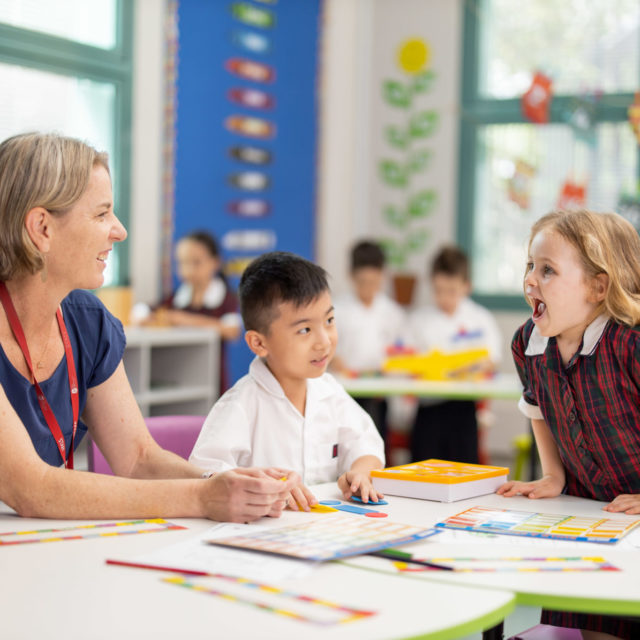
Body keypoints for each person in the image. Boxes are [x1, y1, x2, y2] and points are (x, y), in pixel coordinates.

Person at [0, 132, 298, 523]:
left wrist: (228, 481)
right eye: (101, 213)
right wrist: (202, 497)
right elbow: (31, 488)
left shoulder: (88, 323)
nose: (119, 230)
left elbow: (138, 459)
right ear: (42, 228)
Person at [497, 209, 640, 640]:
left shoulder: (629, 344)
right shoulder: (528, 343)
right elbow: (536, 409)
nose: (530, 281)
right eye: (530, 266)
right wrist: (554, 475)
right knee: (591, 620)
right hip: (590, 514)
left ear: (598, 286)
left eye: (548, 271)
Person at [189, 251, 386, 508]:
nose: (324, 341)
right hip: (259, 535)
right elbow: (207, 474)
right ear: (258, 342)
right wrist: (263, 487)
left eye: (329, 320)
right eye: (304, 329)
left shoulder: (330, 391)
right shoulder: (241, 404)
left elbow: (367, 444)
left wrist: (360, 472)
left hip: (324, 530)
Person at [408, 245, 502, 463]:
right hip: (429, 408)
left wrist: (467, 367)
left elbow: (492, 360)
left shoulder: (479, 318)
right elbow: (408, 360)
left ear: (466, 286)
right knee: (423, 472)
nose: (444, 298)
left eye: (451, 290)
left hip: (464, 408)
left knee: (464, 471)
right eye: (438, 290)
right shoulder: (419, 319)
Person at [331, 240, 406, 442]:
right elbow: (327, 348)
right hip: (345, 392)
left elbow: (400, 351)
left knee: (375, 442)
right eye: (362, 282)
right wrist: (333, 359)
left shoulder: (392, 312)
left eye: (373, 282)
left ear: (383, 276)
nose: (368, 288)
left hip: (379, 393)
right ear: (351, 275)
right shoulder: (337, 309)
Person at [154, 230, 241, 393]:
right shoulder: (174, 298)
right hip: (178, 375)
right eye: (182, 263)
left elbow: (231, 330)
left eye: (196, 262)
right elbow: (148, 313)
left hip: (212, 381)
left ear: (215, 262)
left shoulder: (226, 298)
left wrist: (183, 319)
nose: (188, 269)